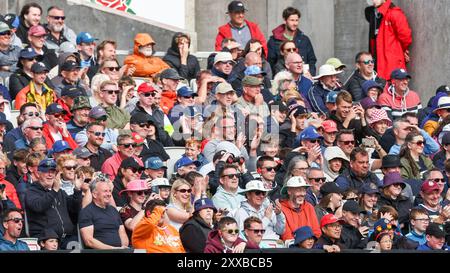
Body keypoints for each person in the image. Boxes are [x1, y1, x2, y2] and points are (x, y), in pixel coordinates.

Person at [25, 158, 83, 249]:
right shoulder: (31, 191)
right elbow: (38, 206)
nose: (50, 175)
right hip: (46, 240)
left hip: (68, 238)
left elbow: (74, 210)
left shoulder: (60, 191)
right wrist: (54, 191)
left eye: (52, 172)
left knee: (76, 248)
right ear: (38, 173)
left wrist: (77, 190)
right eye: (46, 171)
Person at [365, 0, 412, 80]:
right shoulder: (374, 14)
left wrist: (403, 51)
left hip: (392, 65)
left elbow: (406, 37)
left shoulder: (394, 13)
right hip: (379, 64)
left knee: (393, 89)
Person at [79, 174, 129, 249]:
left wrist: (123, 247)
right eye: (105, 191)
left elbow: (122, 233)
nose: (109, 194)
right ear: (95, 194)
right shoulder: (87, 212)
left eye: (109, 191)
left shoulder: (113, 210)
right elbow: (89, 241)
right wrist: (113, 249)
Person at [235, 180, 286, 248]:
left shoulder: (268, 209)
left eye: (263, 193)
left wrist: (279, 215)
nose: (261, 196)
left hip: (277, 244)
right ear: (248, 195)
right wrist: (266, 218)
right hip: (258, 247)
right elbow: (244, 236)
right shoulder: (240, 212)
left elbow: (280, 231)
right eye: (257, 193)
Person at [268, 7, 316, 76]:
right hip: (283, 80)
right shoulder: (273, 41)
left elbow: (312, 60)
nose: (295, 23)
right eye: (292, 20)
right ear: (285, 20)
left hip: (303, 79)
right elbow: (270, 63)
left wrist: (310, 75)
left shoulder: (304, 40)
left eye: (297, 20)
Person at [279, 176, 321, 240]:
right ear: (289, 191)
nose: (302, 194)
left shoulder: (309, 207)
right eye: (298, 190)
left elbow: (316, 231)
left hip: (311, 245)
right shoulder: (281, 208)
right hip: (292, 247)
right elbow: (286, 236)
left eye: (304, 190)